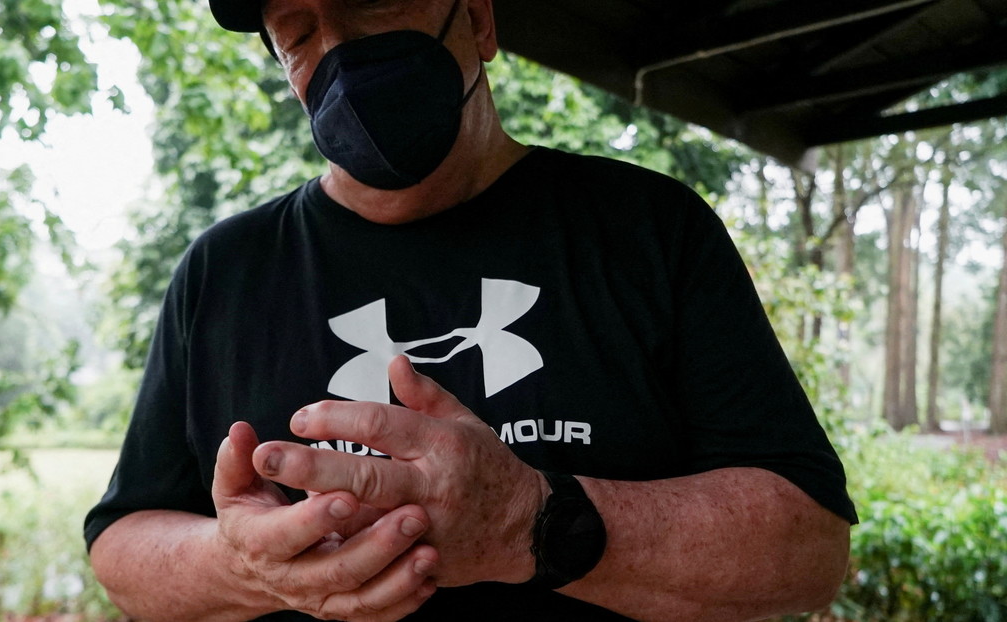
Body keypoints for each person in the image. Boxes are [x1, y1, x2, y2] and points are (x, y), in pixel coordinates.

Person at [84, 0, 858, 620]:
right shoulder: (223, 271)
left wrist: (533, 522)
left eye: (374, 2)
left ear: (480, 19)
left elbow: (809, 549)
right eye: (298, 31)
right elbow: (123, 544)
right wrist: (241, 565)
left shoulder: (648, 228)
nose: (341, 52)